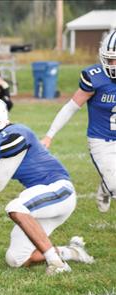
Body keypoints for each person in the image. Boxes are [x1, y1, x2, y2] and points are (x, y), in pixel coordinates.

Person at [0, 96, 94, 275]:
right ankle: (71, 252)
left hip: (59, 191)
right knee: (16, 259)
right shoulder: (4, 136)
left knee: (16, 207)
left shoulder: (12, 136)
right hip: (46, 198)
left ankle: (57, 264)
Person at [41, 31, 116, 213]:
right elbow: (71, 107)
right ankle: (109, 184)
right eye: (109, 59)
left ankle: (106, 185)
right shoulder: (95, 77)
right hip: (102, 141)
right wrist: (49, 135)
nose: (112, 64)